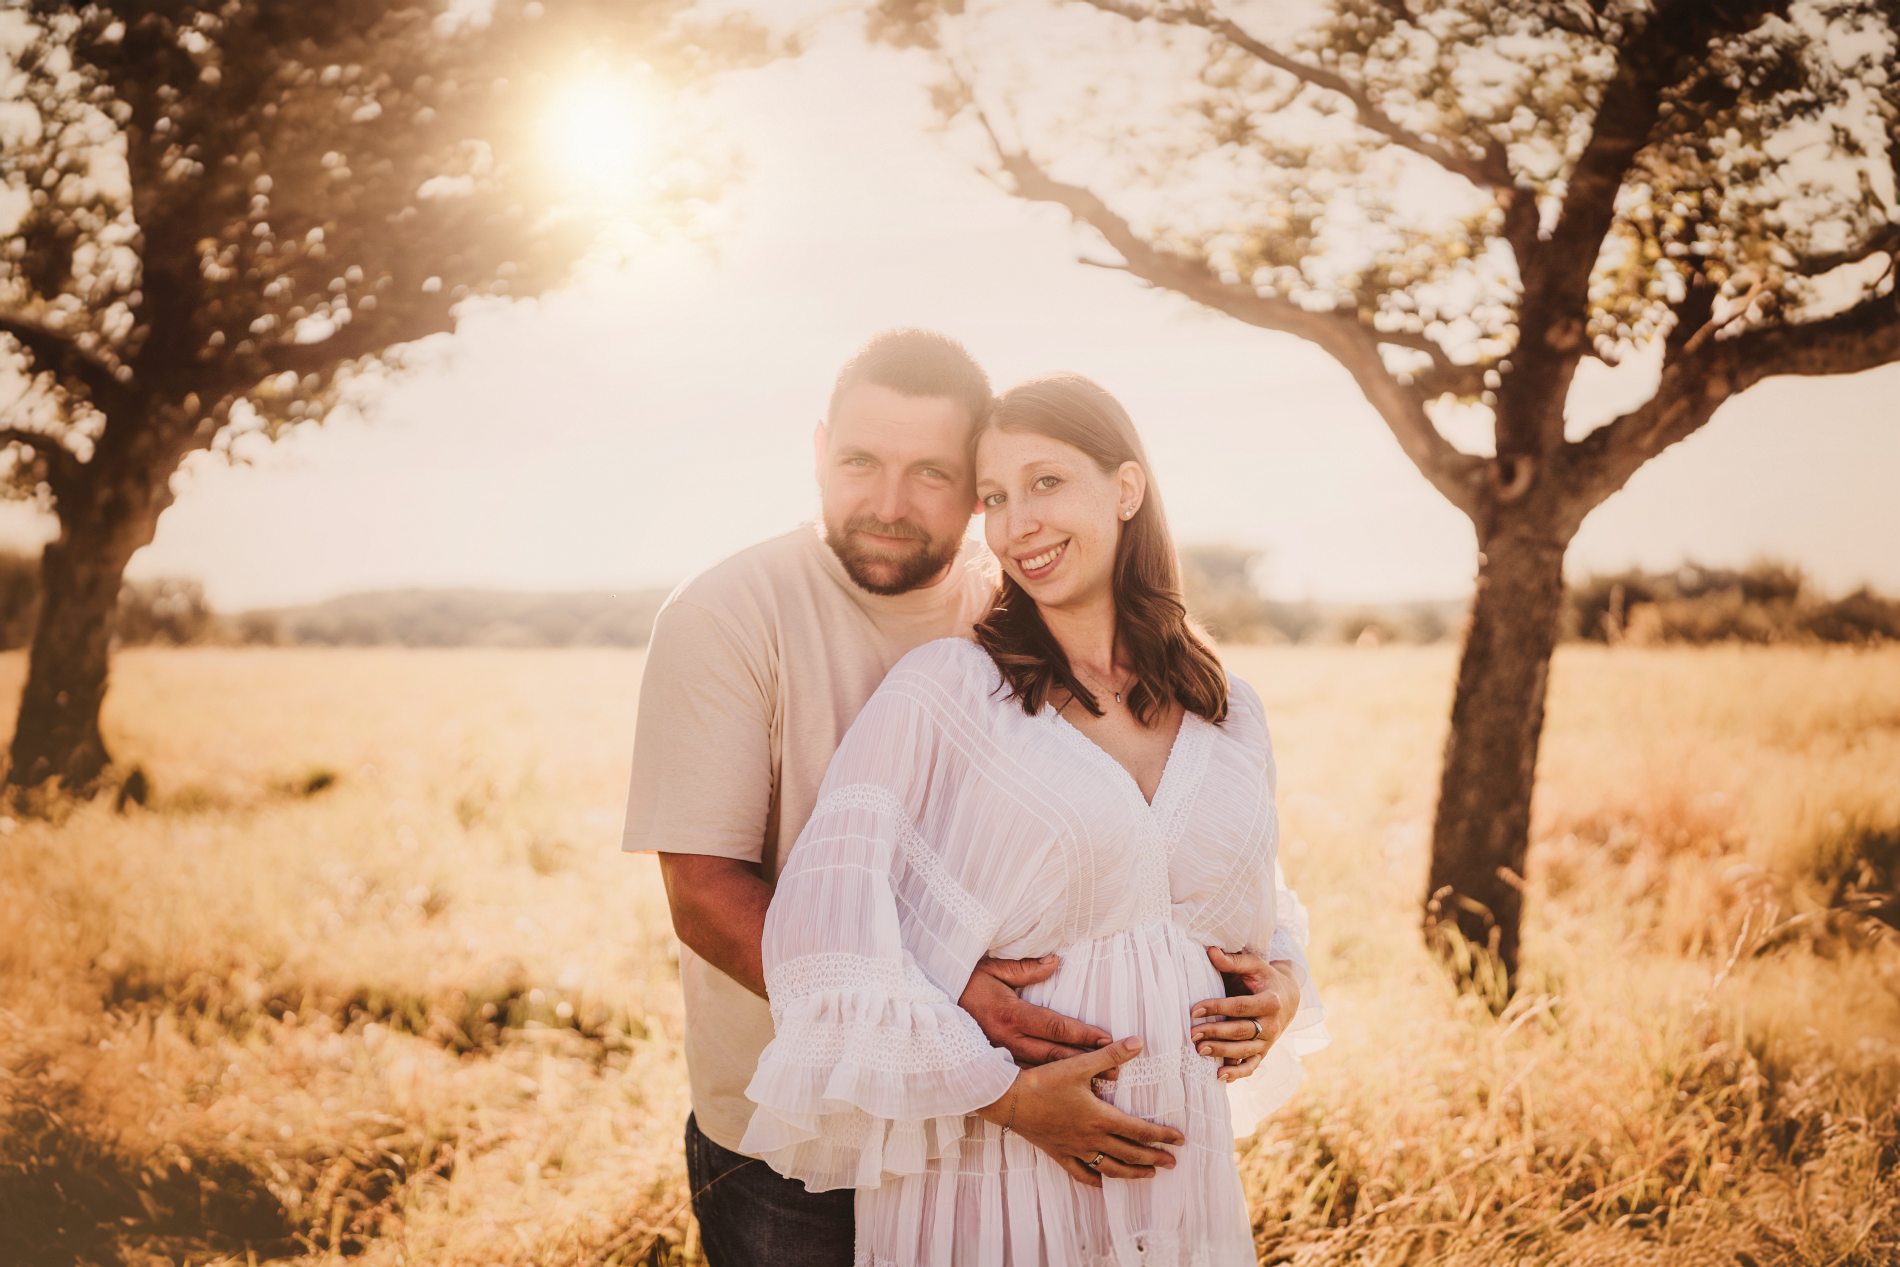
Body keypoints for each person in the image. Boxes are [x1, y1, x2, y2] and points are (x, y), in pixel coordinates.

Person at [622, 332, 1292, 1266]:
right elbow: (703, 892)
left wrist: (1280, 978)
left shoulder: (1016, 607)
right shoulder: (733, 614)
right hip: (795, 1124)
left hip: (1096, 1137)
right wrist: (958, 1038)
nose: (890, 504)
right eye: (860, 462)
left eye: (935, 474)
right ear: (818, 452)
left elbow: (1195, 862)